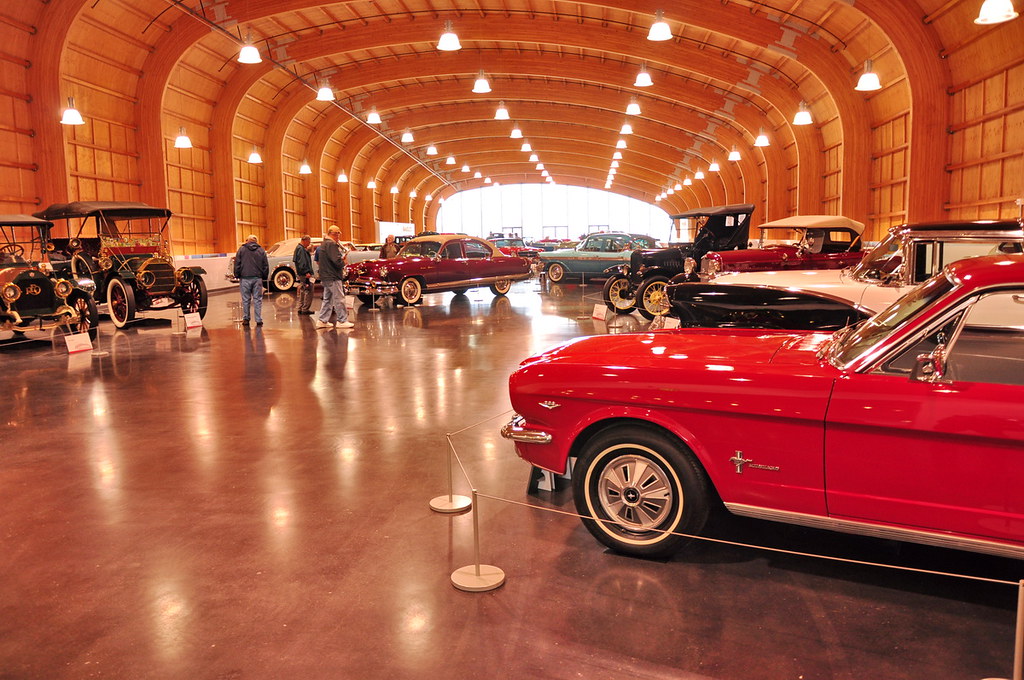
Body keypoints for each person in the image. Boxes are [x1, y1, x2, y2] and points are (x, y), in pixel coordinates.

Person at [315, 225, 354, 330]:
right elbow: (336, 261)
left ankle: (322, 320)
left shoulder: (323, 244)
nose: (339, 236)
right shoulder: (331, 245)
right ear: (334, 234)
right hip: (333, 276)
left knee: (327, 299)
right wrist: (343, 262)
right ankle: (342, 320)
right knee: (339, 298)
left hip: (326, 276)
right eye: (338, 234)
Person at [234, 234, 269, 326]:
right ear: (256, 241)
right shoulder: (261, 250)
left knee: (246, 299)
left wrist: (237, 275)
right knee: (258, 299)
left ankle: (246, 319)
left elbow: (237, 263)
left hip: (245, 278)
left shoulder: (241, 250)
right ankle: (258, 319)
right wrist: (264, 277)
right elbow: (265, 265)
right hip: (257, 278)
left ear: (247, 240)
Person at [293, 235, 315, 314]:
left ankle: (300, 308)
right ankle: (305, 309)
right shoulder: (301, 249)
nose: (309, 244)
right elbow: (302, 262)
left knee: (302, 290)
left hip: (301, 273)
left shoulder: (298, 248)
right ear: (305, 240)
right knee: (309, 290)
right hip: (305, 274)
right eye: (308, 242)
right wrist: (307, 272)